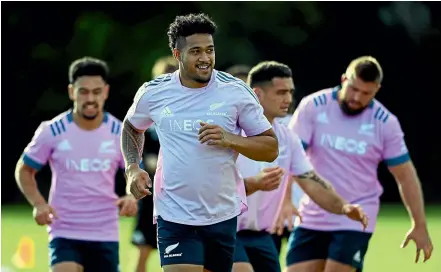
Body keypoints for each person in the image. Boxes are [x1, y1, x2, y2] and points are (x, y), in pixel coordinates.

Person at [121, 13, 279, 272]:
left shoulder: (236, 92)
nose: (205, 58)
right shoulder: (154, 92)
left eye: (210, 50)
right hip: (174, 214)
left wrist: (230, 139)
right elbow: (131, 128)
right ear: (177, 54)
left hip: (222, 214)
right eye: (195, 51)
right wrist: (132, 167)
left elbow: (270, 149)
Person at [285, 56, 434, 272]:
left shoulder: (385, 123)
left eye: (366, 93)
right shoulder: (314, 106)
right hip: (312, 214)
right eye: (353, 89)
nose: (356, 98)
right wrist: (285, 201)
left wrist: (419, 225)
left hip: (356, 216)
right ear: (344, 79)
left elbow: (405, 175)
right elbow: (292, 156)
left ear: (377, 90)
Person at [233, 61, 368, 272]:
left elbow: (311, 179)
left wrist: (343, 206)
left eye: (290, 92)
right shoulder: (230, 133)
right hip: (222, 230)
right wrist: (253, 184)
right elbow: (210, 188)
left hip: (261, 235)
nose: (288, 99)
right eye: (281, 92)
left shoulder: (287, 138)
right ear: (257, 93)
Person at [14, 57, 138, 272]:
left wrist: (131, 195)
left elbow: (134, 172)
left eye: (97, 92)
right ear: (72, 92)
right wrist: (38, 204)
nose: (90, 98)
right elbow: (24, 170)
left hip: (104, 231)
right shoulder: (52, 131)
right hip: (64, 230)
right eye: (83, 91)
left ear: (106, 92)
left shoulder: (120, 133)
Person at [131, 55, 178, 272]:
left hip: (178, 191)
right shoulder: (146, 110)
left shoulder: (186, 111)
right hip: (151, 191)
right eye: (162, 78)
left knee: (177, 252)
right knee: (143, 249)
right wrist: (144, 162)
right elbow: (132, 141)